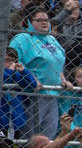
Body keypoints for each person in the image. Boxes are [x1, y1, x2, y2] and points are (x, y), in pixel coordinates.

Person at [9, 8, 68, 139]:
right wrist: (30, 77)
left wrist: (62, 78)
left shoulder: (52, 39)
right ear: (29, 23)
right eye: (39, 20)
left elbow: (58, 63)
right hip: (32, 93)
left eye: (46, 20)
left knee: (49, 132)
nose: (44, 23)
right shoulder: (23, 38)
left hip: (53, 92)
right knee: (31, 135)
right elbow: (12, 60)